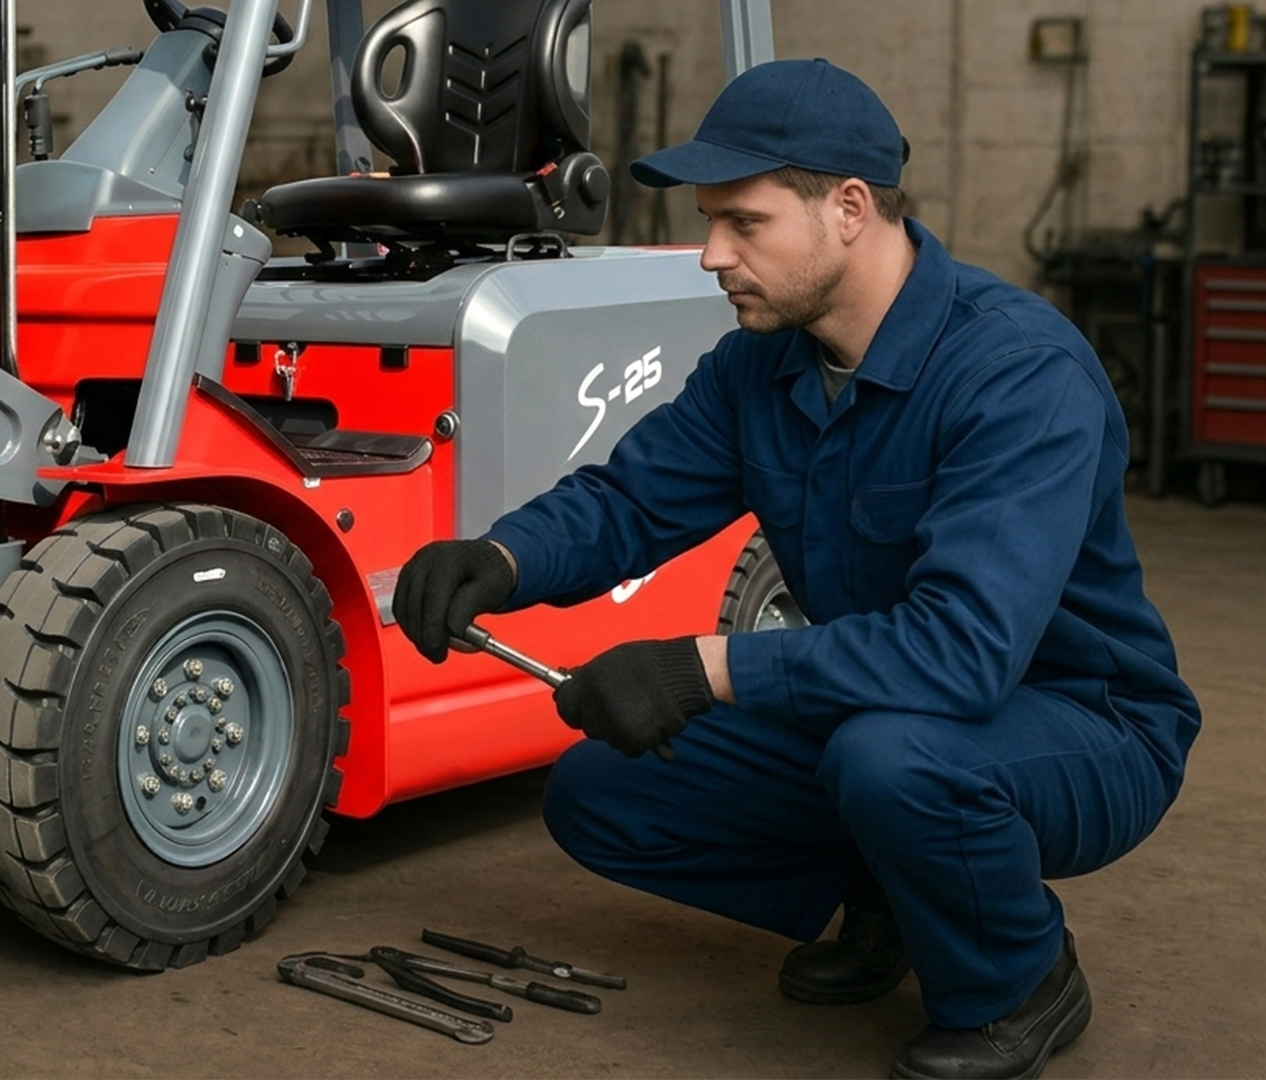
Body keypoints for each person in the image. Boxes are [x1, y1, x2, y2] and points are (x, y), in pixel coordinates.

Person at [392, 58, 1199, 1080]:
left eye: (745, 223)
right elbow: (635, 499)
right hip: (877, 703)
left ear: (849, 208)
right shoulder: (761, 366)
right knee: (604, 789)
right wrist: (500, 557)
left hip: (1081, 723)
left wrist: (702, 667)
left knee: (895, 763)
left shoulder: (1018, 375)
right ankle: (897, 896)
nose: (710, 255)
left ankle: (1021, 981)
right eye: (708, 222)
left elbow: (963, 654)